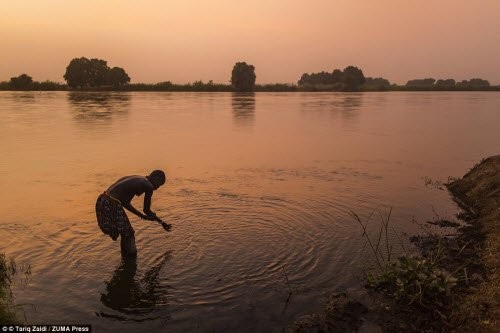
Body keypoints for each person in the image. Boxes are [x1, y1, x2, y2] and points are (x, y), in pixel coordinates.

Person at [95, 170, 170, 257]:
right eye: (159, 184)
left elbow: (125, 202)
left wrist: (142, 216)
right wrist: (161, 222)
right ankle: (130, 259)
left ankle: (125, 259)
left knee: (126, 233)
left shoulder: (139, 179)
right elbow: (147, 210)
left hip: (103, 200)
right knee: (128, 233)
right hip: (112, 203)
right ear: (156, 178)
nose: (157, 188)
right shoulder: (148, 186)